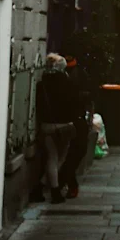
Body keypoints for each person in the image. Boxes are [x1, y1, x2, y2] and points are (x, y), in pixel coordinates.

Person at [36, 54, 81, 204]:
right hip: (64, 125)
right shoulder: (68, 83)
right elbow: (75, 104)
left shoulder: (41, 84)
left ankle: (40, 188)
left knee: (51, 157)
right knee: (60, 158)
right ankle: (54, 191)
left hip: (46, 125)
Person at [58, 55, 90, 199]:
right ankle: (63, 182)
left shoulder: (69, 76)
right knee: (75, 153)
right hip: (74, 120)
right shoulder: (75, 75)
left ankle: (62, 182)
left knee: (66, 155)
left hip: (69, 120)